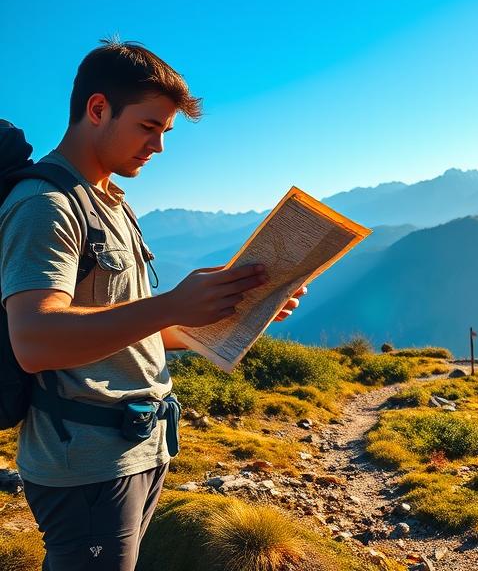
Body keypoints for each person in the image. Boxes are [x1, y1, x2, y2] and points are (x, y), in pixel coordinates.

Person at [0, 39, 306, 570]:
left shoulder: (109, 201)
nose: (159, 147)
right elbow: (34, 339)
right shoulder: (45, 206)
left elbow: (128, 330)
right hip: (86, 460)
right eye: (148, 127)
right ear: (98, 109)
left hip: (138, 446)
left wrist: (233, 310)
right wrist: (172, 305)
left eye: (164, 132)